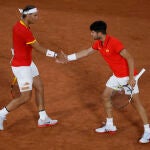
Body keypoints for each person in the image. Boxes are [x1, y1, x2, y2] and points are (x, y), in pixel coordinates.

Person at [63, 21, 150, 143]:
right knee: (105, 96)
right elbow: (87, 52)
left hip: (127, 77)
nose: (91, 34)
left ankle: (148, 131)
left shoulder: (114, 43)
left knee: (136, 103)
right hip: (116, 76)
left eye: (92, 32)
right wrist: (67, 58)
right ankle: (110, 125)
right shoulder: (99, 43)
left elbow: (129, 58)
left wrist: (131, 78)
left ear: (99, 33)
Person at [0, 5, 65, 130]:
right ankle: (1, 114)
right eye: (35, 15)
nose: (37, 18)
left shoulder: (20, 25)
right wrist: (56, 55)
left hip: (28, 63)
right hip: (22, 67)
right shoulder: (24, 30)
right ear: (28, 15)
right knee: (25, 97)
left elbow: (18, 44)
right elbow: (38, 47)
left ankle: (43, 118)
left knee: (39, 86)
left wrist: (17, 52)